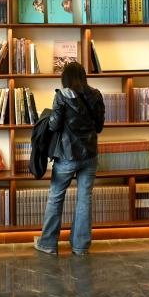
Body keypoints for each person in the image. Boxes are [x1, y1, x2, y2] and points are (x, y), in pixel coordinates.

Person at [33, 61, 105, 256]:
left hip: (67, 155)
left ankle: (48, 243)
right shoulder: (96, 95)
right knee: (85, 198)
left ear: (65, 78)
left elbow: (54, 125)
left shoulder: (61, 96)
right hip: (90, 155)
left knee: (56, 196)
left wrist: (49, 116)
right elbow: (99, 127)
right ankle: (80, 246)